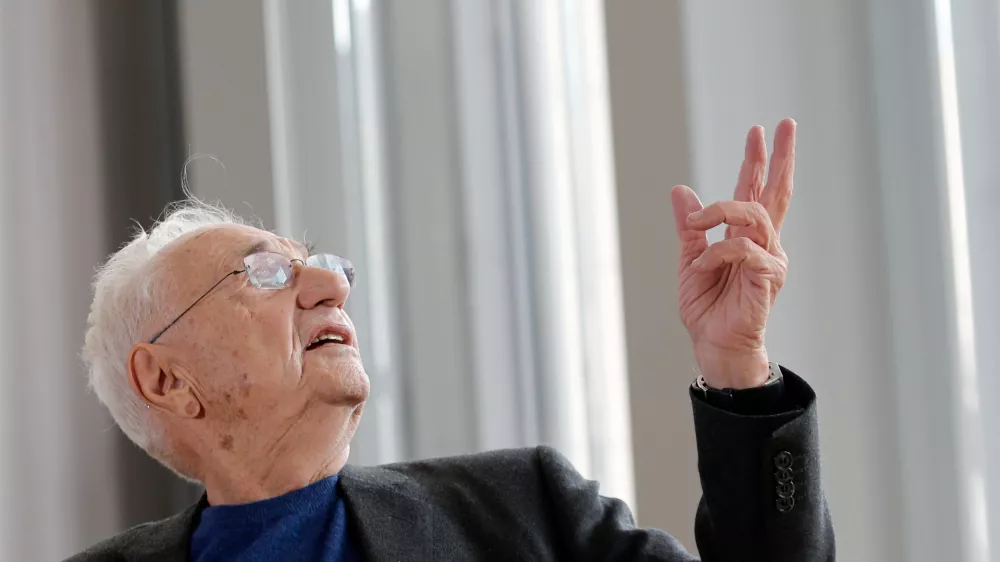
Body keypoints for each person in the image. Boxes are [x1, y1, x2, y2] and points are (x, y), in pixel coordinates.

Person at [68, 119, 833, 562]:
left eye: (324, 267)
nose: (330, 286)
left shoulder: (527, 512)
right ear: (165, 380)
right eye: (264, 274)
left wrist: (736, 369)